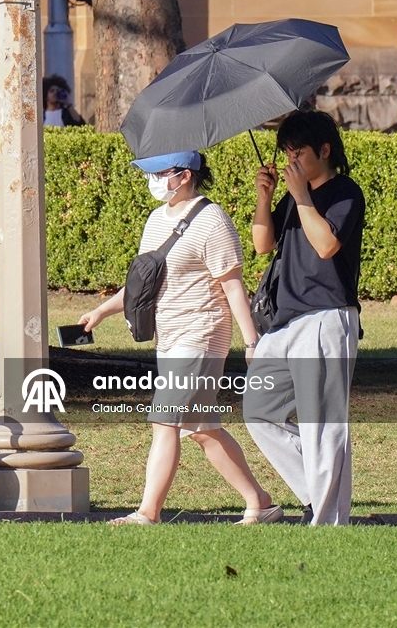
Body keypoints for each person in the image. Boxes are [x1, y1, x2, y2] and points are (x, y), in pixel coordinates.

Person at [79, 150, 280, 526]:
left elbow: (233, 287)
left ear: (184, 175)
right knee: (201, 428)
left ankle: (147, 512)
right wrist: (102, 311)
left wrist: (252, 343)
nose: (152, 180)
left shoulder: (213, 221)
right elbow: (143, 283)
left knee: (164, 417)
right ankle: (260, 502)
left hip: (202, 333)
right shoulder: (157, 220)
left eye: (159, 173)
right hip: (168, 338)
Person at [243, 110, 364, 526]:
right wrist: (265, 196)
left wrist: (300, 197)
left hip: (327, 316)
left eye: (298, 152)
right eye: (286, 153)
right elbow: (262, 244)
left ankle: (329, 523)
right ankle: (317, 493)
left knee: (323, 423)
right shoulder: (295, 197)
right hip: (285, 321)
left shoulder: (345, 191)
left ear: (324, 150)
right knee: (258, 410)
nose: (290, 160)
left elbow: (327, 244)